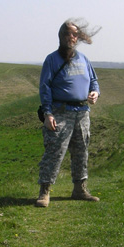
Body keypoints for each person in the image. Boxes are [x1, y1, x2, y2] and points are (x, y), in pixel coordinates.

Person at [36, 19, 100, 207]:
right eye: (67, 33)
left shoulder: (83, 59)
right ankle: (44, 191)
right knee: (54, 152)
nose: (71, 37)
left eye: (74, 34)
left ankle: (80, 189)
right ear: (61, 36)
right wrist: (48, 114)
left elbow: (94, 81)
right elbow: (45, 88)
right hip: (60, 112)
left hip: (82, 113)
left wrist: (95, 93)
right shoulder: (52, 59)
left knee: (81, 152)